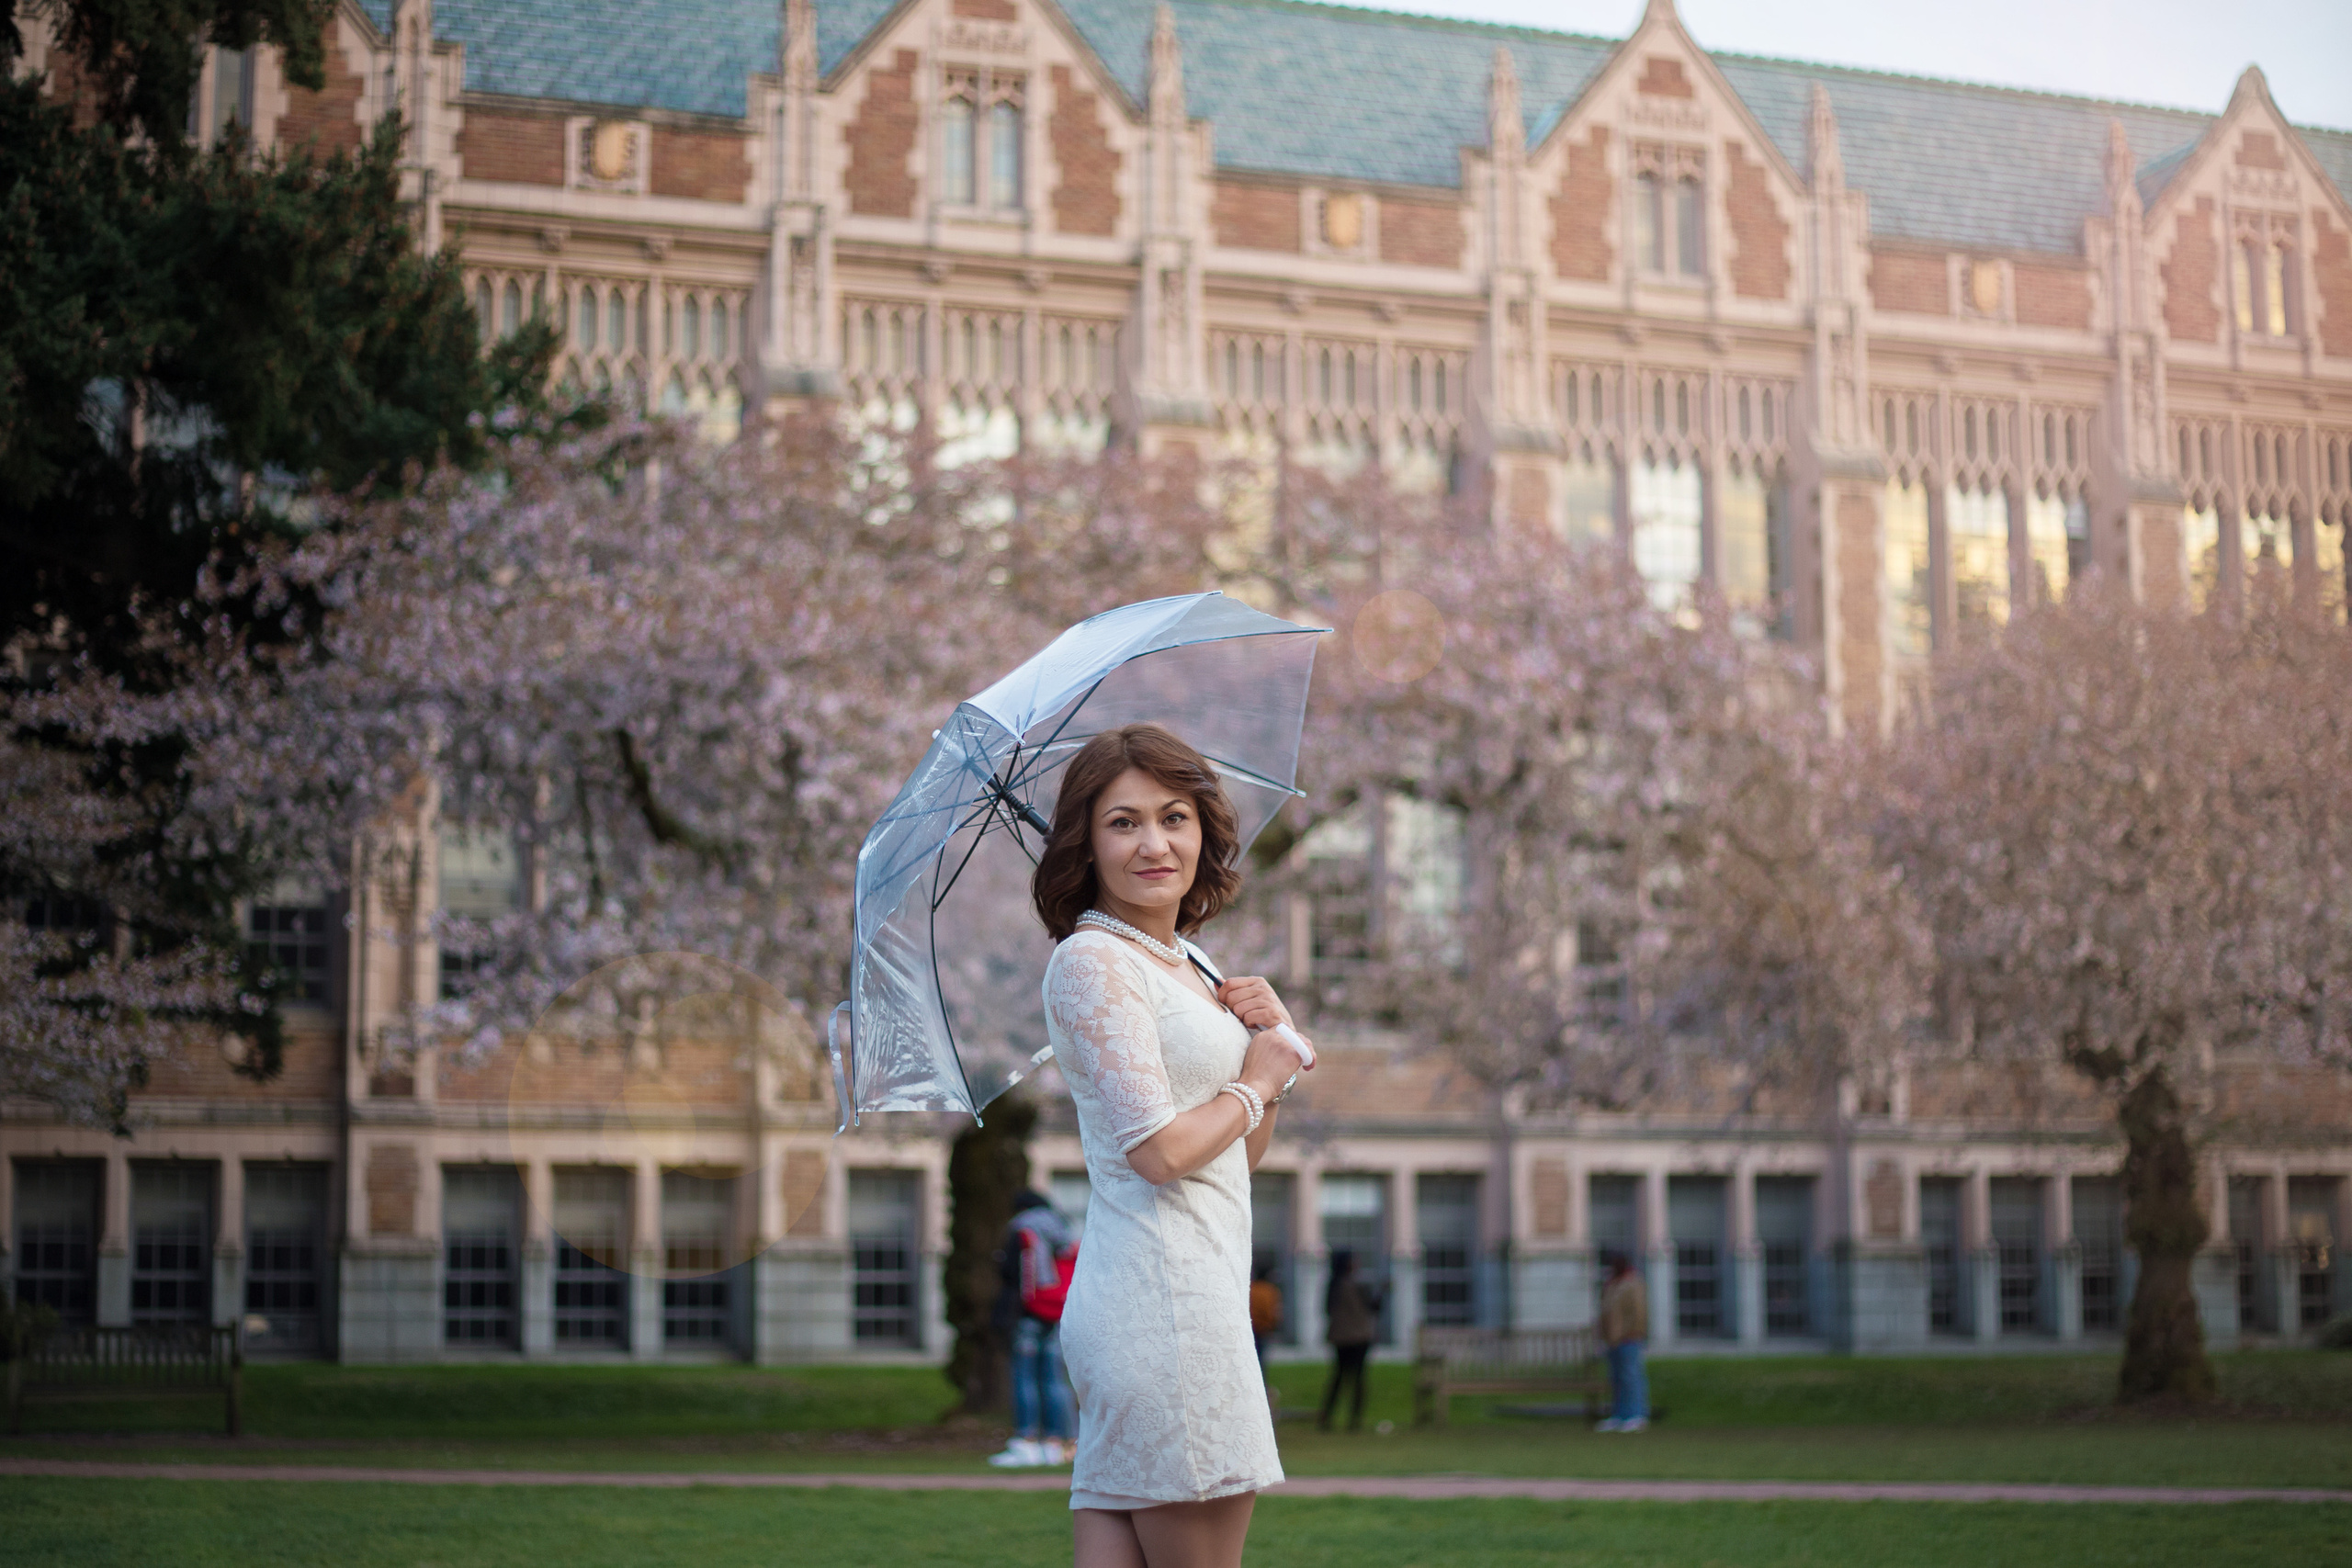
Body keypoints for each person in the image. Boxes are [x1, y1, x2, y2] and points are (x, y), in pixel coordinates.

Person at [1036, 723, 1313, 1568]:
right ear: (1086, 840)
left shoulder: (1187, 961)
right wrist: (1258, 1079)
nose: (1155, 842)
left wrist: (1266, 1035)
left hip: (1183, 1293)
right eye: (1123, 822)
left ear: (1205, 829)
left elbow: (1239, 1154)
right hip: (1166, 1308)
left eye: (1175, 816)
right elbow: (1155, 1152)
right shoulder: (1095, 961)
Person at [989, 1188, 1078, 1468]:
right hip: (1057, 1311)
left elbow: (1012, 1275)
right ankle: (1058, 1443)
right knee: (1054, 1378)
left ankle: (1026, 1442)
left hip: (1029, 1313)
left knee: (1025, 1378)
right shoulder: (1064, 1229)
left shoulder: (1023, 1229)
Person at [1317, 1248, 1382, 1432]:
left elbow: (1327, 1310)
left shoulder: (1333, 1285)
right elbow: (1374, 1308)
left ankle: (1327, 1417)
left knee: (1338, 1377)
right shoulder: (1358, 1285)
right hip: (1359, 1337)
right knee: (1358, 1379)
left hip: (1340, 1337)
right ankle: (1354, 1420)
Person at [1597, 1251, 1650, 1433]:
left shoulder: (1633, 1284)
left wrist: (1634, 1332)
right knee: (1617, 1379)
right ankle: (1619, 1415)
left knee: (1631, 1378)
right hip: (1613, 1341)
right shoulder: (1612, 1285)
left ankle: (1636, 1415)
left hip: (1629, 1338)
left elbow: (1638, 1312)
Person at [1248, 1264, 1283, 1387]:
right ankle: (1260, 1384)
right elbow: (1272, 1311)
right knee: (1261, 1360)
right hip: (1263, 1329)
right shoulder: (1269, 1290)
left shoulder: (1251, 1288)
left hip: (1251, 1327)